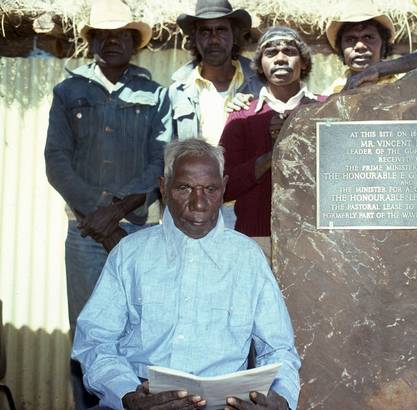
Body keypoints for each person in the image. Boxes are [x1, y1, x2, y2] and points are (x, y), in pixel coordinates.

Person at [72, 139, 301, 410]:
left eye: (210, 190)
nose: (199, 204)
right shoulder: (130, 254)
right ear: (164, 188)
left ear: (224, 188)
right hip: (141, 397)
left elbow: (279, 350)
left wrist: (281, 401)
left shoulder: (247, 258)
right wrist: (127, 395)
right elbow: (95, 341)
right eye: (184, 188)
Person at [44, 0, 170, 408]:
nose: (113, 41)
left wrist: (116, 211)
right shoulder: (67, 93)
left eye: (122, 35)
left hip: (138, 230)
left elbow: (160, 160)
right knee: (87, 330)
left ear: (135, 42)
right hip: (84, 233)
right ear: (92, 41)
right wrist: (97, 212)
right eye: (104, 35)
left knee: (140, 327)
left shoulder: (156, 95)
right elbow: (56, 160)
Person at [219, 27, 324, 255]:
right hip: (255, 239)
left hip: (316, 240)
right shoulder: (243, 114)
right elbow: (224, 186)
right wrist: (272, 155)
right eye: (271, 53)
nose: (280, 58)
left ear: (304, 62)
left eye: (289, 51)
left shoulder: (324, 108)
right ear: (259, 66)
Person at [169, 0, 264, 144]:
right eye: (205, 31)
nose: (214, 39)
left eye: (221, 30)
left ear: (235, 35)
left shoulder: (261, 85)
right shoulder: (177, 92)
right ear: (194, 37)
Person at [324, 3, 417, 94]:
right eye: (350, 39)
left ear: (384, 45)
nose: (359, 46)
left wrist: (378, 70)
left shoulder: (407, 81)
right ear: (340, 49)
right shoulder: (332, 92)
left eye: (368, 37)